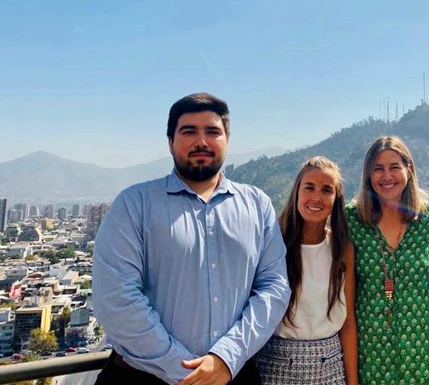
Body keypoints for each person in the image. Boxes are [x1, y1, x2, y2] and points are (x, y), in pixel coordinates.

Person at [93, 92, 291, 385]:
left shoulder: (257, 205)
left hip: (232, 373)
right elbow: (116, 298)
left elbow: (274, 288)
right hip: (141, 377)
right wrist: (188, 372)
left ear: (227, 140)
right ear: (170, 141)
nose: (201, 141)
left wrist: (226, 358)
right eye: (188, 131)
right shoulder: (134, 205)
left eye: (212, 131)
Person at [345, 136, 429, 384]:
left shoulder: (428, 218)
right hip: (371, 354)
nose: (387, 176)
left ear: (409, 168)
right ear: (368, 174)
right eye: (378, 169)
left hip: (426, 351)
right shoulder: (352, 219)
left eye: (394, 167)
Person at [255, 156, 358, 385]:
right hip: (275, 364)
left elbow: (348, 320)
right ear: (297, 192)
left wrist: (353, 382)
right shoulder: (272, 243)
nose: (316, 197)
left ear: (336, 198)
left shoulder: (342, 249)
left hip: (330, 366)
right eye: (309, 187)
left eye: (326, 190)